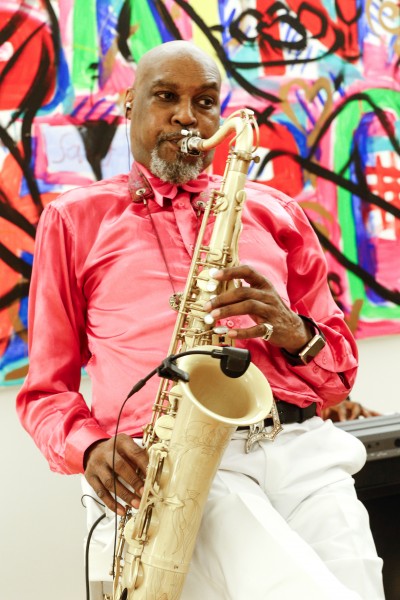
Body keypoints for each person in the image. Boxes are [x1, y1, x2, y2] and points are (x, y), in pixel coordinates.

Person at [16, 41, 385, 600]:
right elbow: (45, 391)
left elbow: (338, 375)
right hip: (177, 461)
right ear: (129, 103)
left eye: (205, 101)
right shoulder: (74, 220)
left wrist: (291, 329)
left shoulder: (275, 211)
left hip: (303, 450)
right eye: (166, 97)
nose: (187, 116)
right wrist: (90, 447)